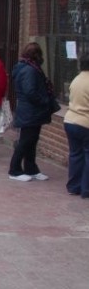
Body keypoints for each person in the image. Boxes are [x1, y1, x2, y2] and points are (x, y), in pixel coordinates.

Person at [9, 42, 58, 182]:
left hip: (32, 111)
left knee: (31, 141)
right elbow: (30, 92)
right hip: (30, 111)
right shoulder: (30, 70)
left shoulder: (29, 68)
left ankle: (31, 169)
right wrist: (44, 100)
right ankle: (15, 170)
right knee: (25, 141)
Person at [64, 51, 89, 196]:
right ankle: (86, 189)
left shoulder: (76, 79)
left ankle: (74, 186)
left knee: (75, 154)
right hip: (86, 122)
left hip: (71, 120)